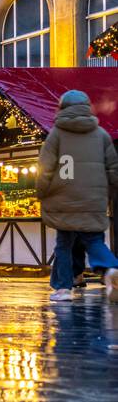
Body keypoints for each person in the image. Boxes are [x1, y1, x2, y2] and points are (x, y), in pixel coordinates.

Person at [37, 89, 118, 304]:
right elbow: (113, 169)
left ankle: (63, 289)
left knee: (63, 244)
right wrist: (107, 193)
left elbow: (46, 168)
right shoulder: (101, 135)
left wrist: (42, 191)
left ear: (62, 108)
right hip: (93, 199)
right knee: (94, 240)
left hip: (63, 197)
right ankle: (110, 268)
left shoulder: (56, 134)